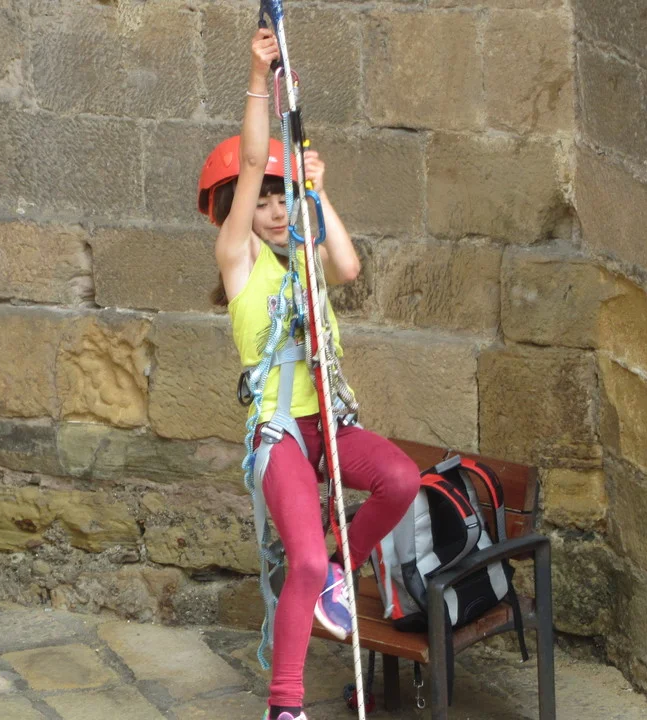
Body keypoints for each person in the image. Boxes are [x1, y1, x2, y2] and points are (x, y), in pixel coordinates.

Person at [196, 27, 421, 720]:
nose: (271, 211)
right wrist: (256, 78)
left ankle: (337, 571)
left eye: (278, 198)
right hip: (281, 434)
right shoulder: (238, 261)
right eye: (260, 200)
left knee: (401, 480)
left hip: (329, 420)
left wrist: (315, 192)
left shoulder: (302, 252)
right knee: (302, 560)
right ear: (233, 212)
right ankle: (285, 706)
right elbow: (252, 162)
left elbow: (348, 266)